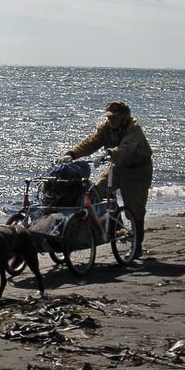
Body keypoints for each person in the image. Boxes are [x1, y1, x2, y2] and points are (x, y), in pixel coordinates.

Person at [60, 101, 153, 256]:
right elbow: (91, 142)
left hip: (138, 169)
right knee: (96, 193)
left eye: (114, 117)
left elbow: (126, 147)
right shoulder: (106, 127)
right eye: (109, 117)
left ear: (124, 116)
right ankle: (117, 226)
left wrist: (109, 153)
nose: (111, 121)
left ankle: (137, 246)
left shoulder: (133, 127)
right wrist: (72, 154)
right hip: (117, 166)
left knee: (135, 209)